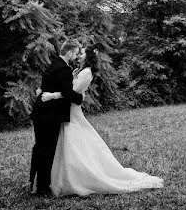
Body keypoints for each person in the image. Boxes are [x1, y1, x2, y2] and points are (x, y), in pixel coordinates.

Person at [40, 47, 164, 197]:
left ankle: (77, 178)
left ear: (89, 57)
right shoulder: (79, 71)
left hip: (72, 111)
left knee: (74, 140)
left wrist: (51, 95)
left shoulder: (86, 73)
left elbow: (71, 94)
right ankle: (61, 176)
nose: (79, 55)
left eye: (83, 53)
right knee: (68, 141)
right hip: (68, 110)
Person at [29, 40, 85, 197]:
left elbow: (50, 87)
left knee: (39, 148)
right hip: (49, 115)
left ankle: (34, 183)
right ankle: (42, 188)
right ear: (69, 53)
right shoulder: (63, 69)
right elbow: (68, 94)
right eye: (75, 53)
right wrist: (80, 98)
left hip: (41, 111)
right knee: (47, 150)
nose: (76, 56)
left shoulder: (54, 65)